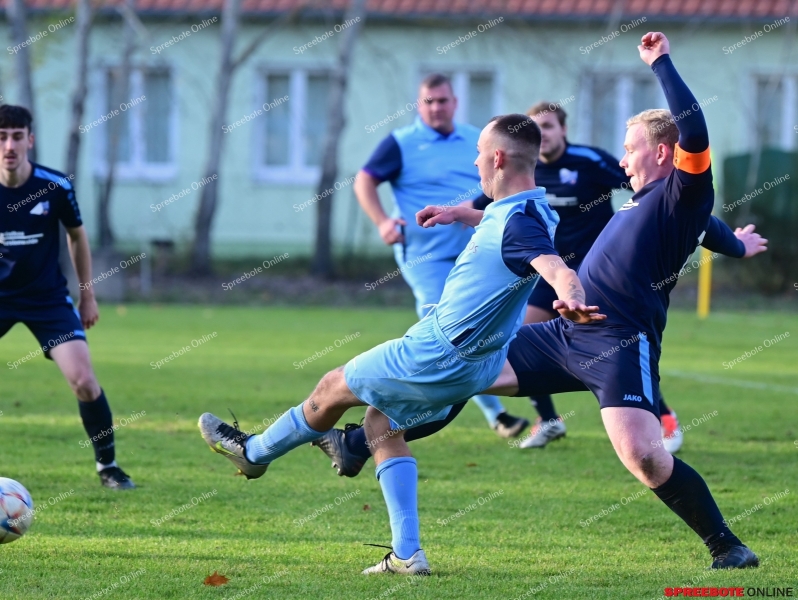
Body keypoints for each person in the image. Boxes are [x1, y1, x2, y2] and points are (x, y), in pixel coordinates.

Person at [306, 31, 764, 573]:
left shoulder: (683, 190)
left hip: (618, 342)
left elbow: (695, 134)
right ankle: (358, 443)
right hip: (563, 333)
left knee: (644, 456)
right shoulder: (651, 203)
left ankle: (728, 548)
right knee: (466, 368)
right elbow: (708, 230)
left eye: (630, 145)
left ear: (662, 152)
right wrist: (735, 243)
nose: (622, 157)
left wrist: (661, 63)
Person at [199, 113, 606, 575]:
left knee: (332, 386)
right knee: (381, 426)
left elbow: (555, 267)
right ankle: (407, 555)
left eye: (478, 155)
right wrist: (461, 213)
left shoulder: (520, 224)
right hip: (478, 364)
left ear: (496, 157)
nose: (474, 163)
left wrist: (570, 298)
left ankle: (253, 455)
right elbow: (510, 230)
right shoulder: (536, 208)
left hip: (437, 353)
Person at [475, 102, 679, 449]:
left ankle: (663, 417)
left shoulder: (589, 160)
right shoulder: (527, 168)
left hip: (597, 273)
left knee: (616, 348)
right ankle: (550, 419)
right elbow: (489, 203)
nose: (545, 134)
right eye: (537, 128)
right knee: (520, 333)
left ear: (563, 130)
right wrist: (454, 213)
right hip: (552, 270)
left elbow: (645, 190)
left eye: (550, 126)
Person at [350, 72, 528, 439]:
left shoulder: (475, 138)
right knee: (449, 331)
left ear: (454, 102)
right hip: (424, 255)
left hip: (475, 253)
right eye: (428, 101)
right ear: (419, 105)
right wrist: (382, 221)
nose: (436, 108)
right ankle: (493, 415)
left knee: (491, 330)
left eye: (442, 100)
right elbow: (364, 179)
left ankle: (432, 405)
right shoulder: (401, 143)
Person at [0, 104, 135, 489]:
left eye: (15, 136)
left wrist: (87, 295)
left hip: (47, 300)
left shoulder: (54, 186)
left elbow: (77, 235)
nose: (9, 145)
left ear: (30, 139)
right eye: (1, 137)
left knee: (84, 381)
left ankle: (108, 467)